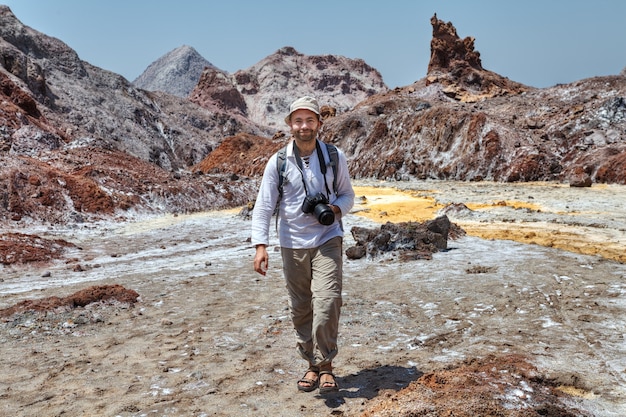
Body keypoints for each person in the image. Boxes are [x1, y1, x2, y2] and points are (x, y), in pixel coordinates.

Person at [251, 96, 355, 394]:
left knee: (327, 303)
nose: (304, 126)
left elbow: (347, 196)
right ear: (290, 126)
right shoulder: (278, 162)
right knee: (300, 309)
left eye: (310, 120)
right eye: (298, 121)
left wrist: (333, 211)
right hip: (291, 243)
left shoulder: (335, 157)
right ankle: (312, 365)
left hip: (327, 238)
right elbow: (264, 206)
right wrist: (261, 246)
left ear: (319, 124)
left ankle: (326, 366)